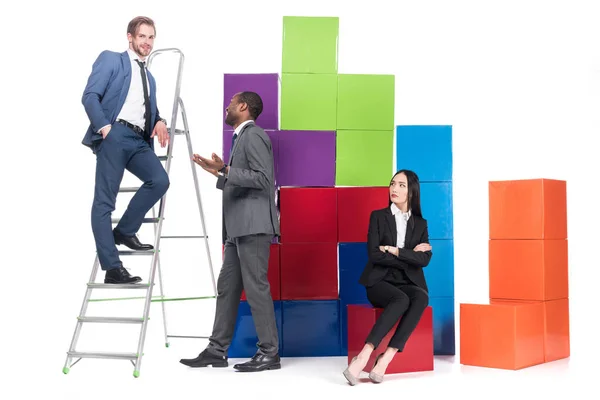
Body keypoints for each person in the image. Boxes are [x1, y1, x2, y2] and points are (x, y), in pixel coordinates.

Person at [180, 91, 281, 372]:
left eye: (232, 103)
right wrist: (221, 172)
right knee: (227, 289)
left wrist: (226, 169)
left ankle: (269, 353)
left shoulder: (254, 135)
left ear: (243, 107)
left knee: (256, 288)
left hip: (253, 227)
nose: (227, 106)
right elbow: (243, 178)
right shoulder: (240, 138)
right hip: (237, 229)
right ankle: (216, 350)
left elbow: (263, 179)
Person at [81, 16, 170, 284]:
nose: (147, 42)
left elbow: (148, 110)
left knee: (160, 181)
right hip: (115, 134)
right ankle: (112, 268)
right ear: (130, 37)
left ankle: (125, 231)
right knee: (104, 202)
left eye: (151, 37)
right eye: (142, 36)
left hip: (139, 141)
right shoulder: (112, 59)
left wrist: (160, 121)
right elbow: (89, 96)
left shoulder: (150, 77)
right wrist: (105, 127)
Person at [343, 169, 433, 385]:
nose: (395, 188)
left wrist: (395, 251)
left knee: (420, 297)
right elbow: (374, 254)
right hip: (379, 281)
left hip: (407, 281)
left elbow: (425, 260)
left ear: (412, 192)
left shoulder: (420, 224)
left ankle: (387, 357)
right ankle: (363, 355)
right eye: (393, 183)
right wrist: (410, 256)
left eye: (402, 185)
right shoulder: (378, 216)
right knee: (401, 300)